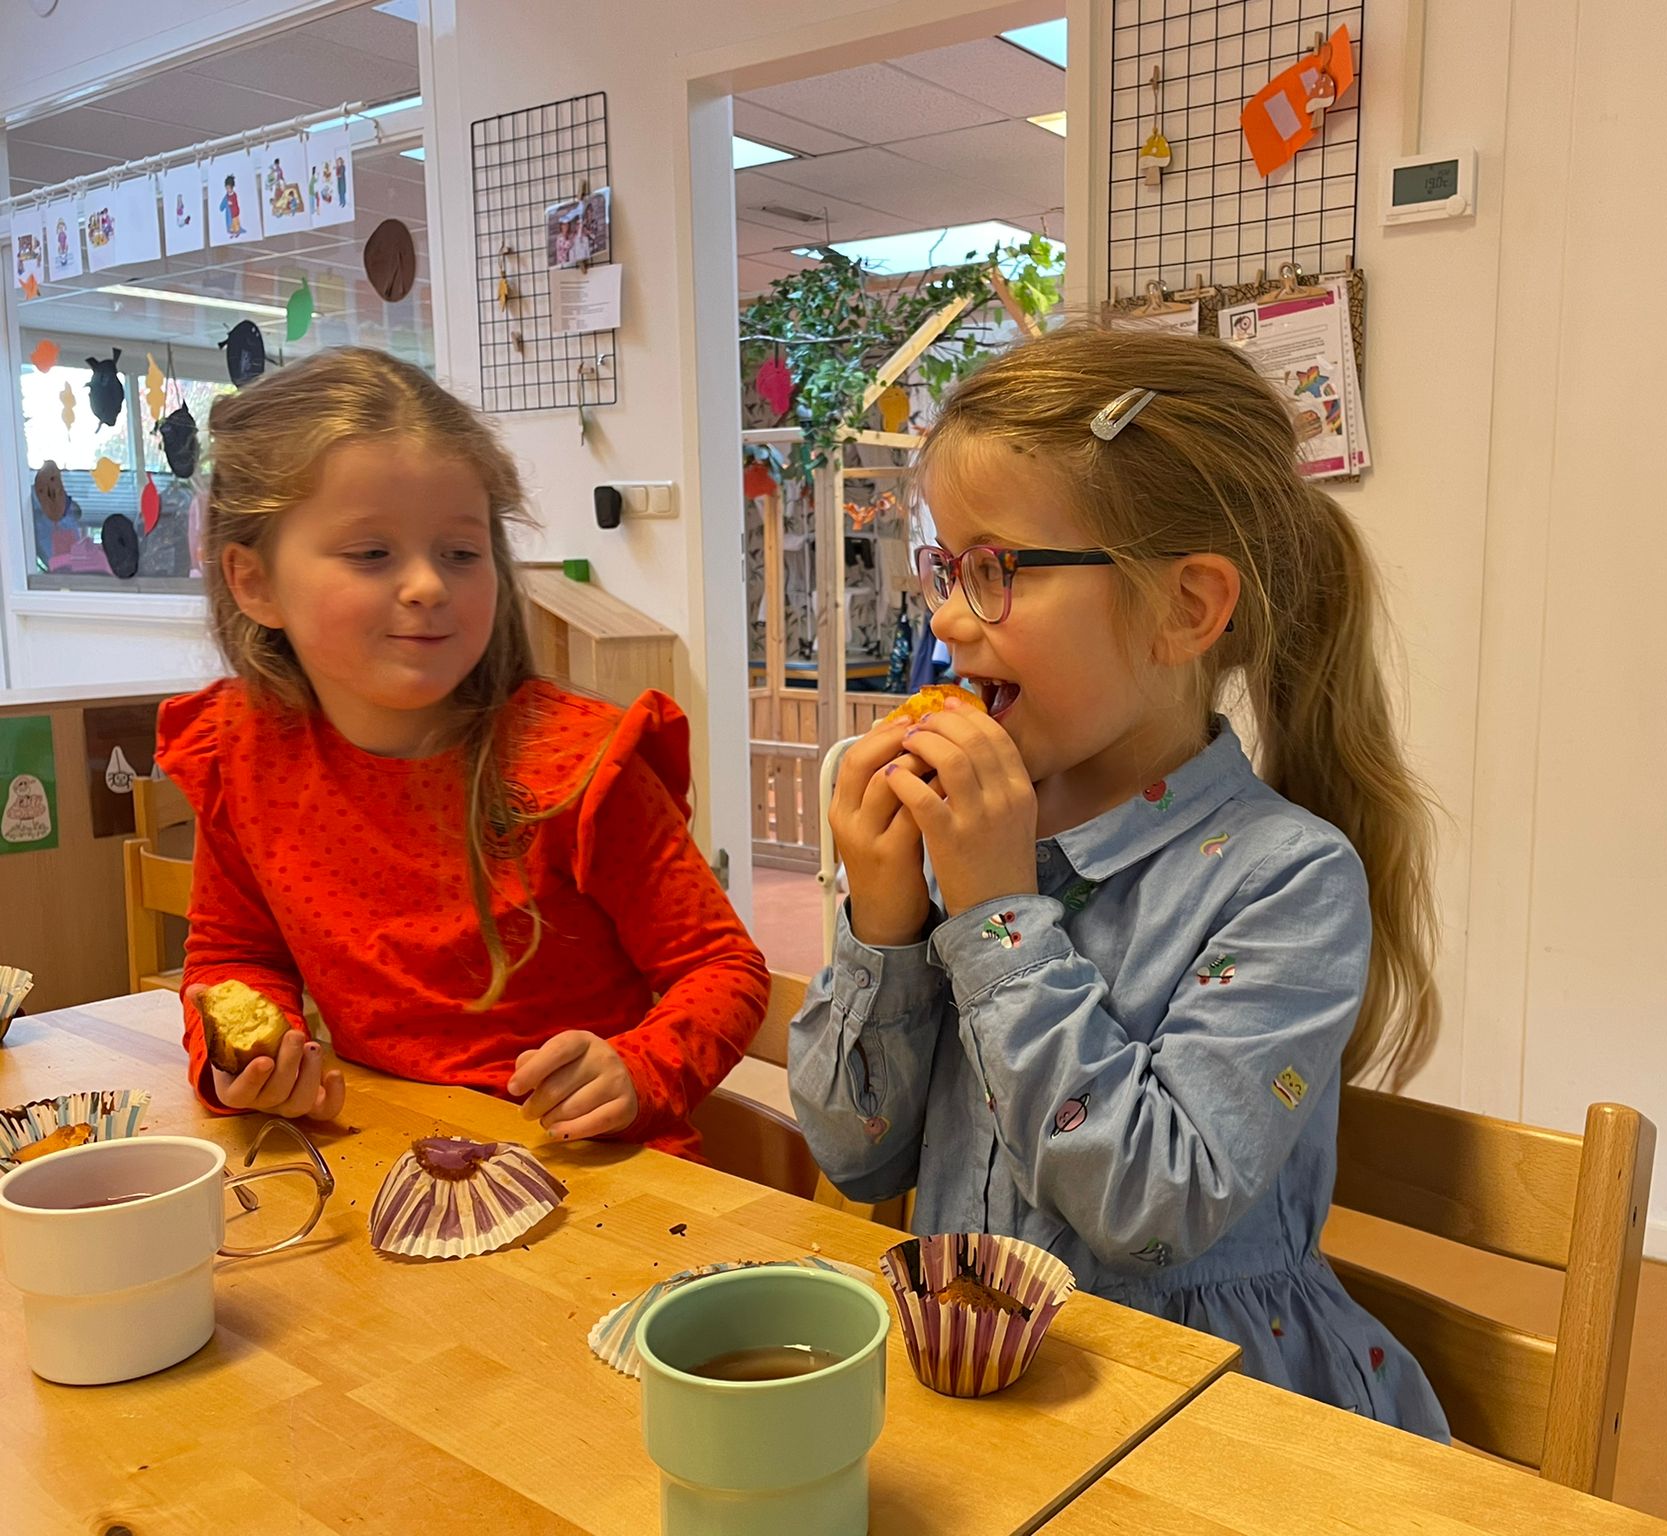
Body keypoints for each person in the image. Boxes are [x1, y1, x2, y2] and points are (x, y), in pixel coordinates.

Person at [789, 327, 1450, 1436]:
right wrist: (886, 924)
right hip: (981, 1392)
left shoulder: (1287, 880)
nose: (945, 620)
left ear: (1185, 608)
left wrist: (996, 922)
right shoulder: (975, 836)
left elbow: (1154, 1209)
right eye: (946, 569)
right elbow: (854, 1158)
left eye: (996, 570)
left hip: (1205, 1416)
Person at [159, 346, 767, 1157]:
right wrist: (245, 1064)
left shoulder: (581, 766)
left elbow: (723, 966)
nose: (428, 586)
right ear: (253, 582)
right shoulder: (244, 755)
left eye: (460, 552)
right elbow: (233, 957)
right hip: (383, 1157)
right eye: (371, 553)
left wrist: (640, 1067)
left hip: (590, 1174)